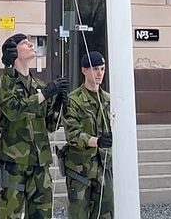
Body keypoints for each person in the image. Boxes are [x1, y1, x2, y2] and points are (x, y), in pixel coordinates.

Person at [0, 33, 67, 219]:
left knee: (42, 214)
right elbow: (14, 111)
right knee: (11, 214)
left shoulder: (39, 85)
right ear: (13, 52)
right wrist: (45, 95)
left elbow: (49, 125)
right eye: (24, 43)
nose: (31, 45)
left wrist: (58, 107)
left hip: (40, 162)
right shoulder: (3, 85)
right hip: (15, 162)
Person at [62, 51, 113, 219]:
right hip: (80, 170)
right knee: (79, 214)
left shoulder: (108, 100)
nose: (100, 73)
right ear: (84, 70)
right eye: (95, 69)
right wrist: (97, 141)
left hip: (103, 167)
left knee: (105, 214)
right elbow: (73, 134)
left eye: (103, 69)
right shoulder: (74, 100)